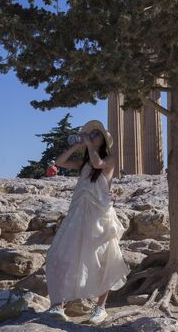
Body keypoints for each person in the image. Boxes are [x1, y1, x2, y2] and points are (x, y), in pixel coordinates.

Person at [45, 120, 129, 324]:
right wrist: (77, 145)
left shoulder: (110, 158)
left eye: (95, 134)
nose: (92, 136)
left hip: (100, 215)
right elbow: (60, 161)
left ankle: (100, 308)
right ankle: (58, 304)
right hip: (78, 215)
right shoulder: (83, 162)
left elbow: (98, 164)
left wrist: (90, 146)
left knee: (104, 257)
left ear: (103, 140)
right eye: (90, 134)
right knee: (64, 252)